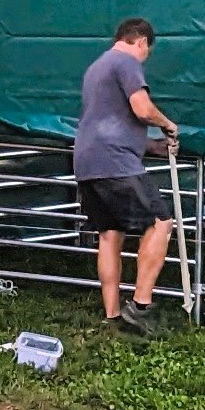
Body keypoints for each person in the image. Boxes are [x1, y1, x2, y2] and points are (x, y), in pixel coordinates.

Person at [75, 17, 181, 336]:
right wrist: (168, 125)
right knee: (161, 222)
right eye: (147, 50)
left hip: (87, 162)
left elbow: (109, 123)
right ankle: (141, 305)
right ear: (141, 42)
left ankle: (112, 316)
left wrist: (152, 147)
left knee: (110, 233)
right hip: (115, 164)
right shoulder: (127, 62)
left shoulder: (96, 68)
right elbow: (141, 109)